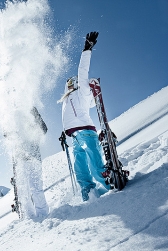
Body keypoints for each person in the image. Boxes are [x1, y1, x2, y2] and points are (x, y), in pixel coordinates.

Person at [58, 31, 110, 201]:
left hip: (86, 133)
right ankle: (89, 194)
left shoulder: (83, 92)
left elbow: (82, 72)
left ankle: (112, 184)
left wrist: (87, 49)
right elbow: (68, 116)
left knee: (95, 166)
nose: (71, 83)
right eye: (69, 82)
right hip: (75, 136)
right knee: (80, 169)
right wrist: (64, 132)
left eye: (72, 81)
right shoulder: (66, 100)